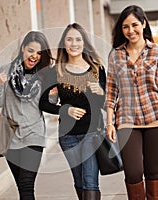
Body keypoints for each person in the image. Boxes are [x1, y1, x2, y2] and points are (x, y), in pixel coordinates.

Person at [105, 5, 158, 200]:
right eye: (125, 27)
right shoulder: (115, 55)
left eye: (134, 25)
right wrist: (109, 123)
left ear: (143, 24)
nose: (130, 30)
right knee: (133, 173)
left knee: (153, 172)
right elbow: (110, 92)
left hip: (156, 119)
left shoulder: (157, 52)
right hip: (126, 121)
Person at [39, 23, 106, 200]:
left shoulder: (96, 68)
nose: (73, 43)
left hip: (92, 133)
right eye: (69, 39)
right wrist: (64, 110)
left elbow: (105, 104)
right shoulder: (56, 71)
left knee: (90, 181)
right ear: (64, 43)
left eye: (78, 39)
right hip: (68, 135)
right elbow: (43, 103)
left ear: (84, 43)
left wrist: (101, 92)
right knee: (79, 182)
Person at [0, 31, 53, 200]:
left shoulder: (44, 74)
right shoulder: (6, 70)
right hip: (10, 137)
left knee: (26, 186)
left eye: (39, 53)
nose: (35, 56)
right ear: (23, 48)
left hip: (34, 135)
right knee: (21, 187)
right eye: (31, 50)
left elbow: (47, 103)